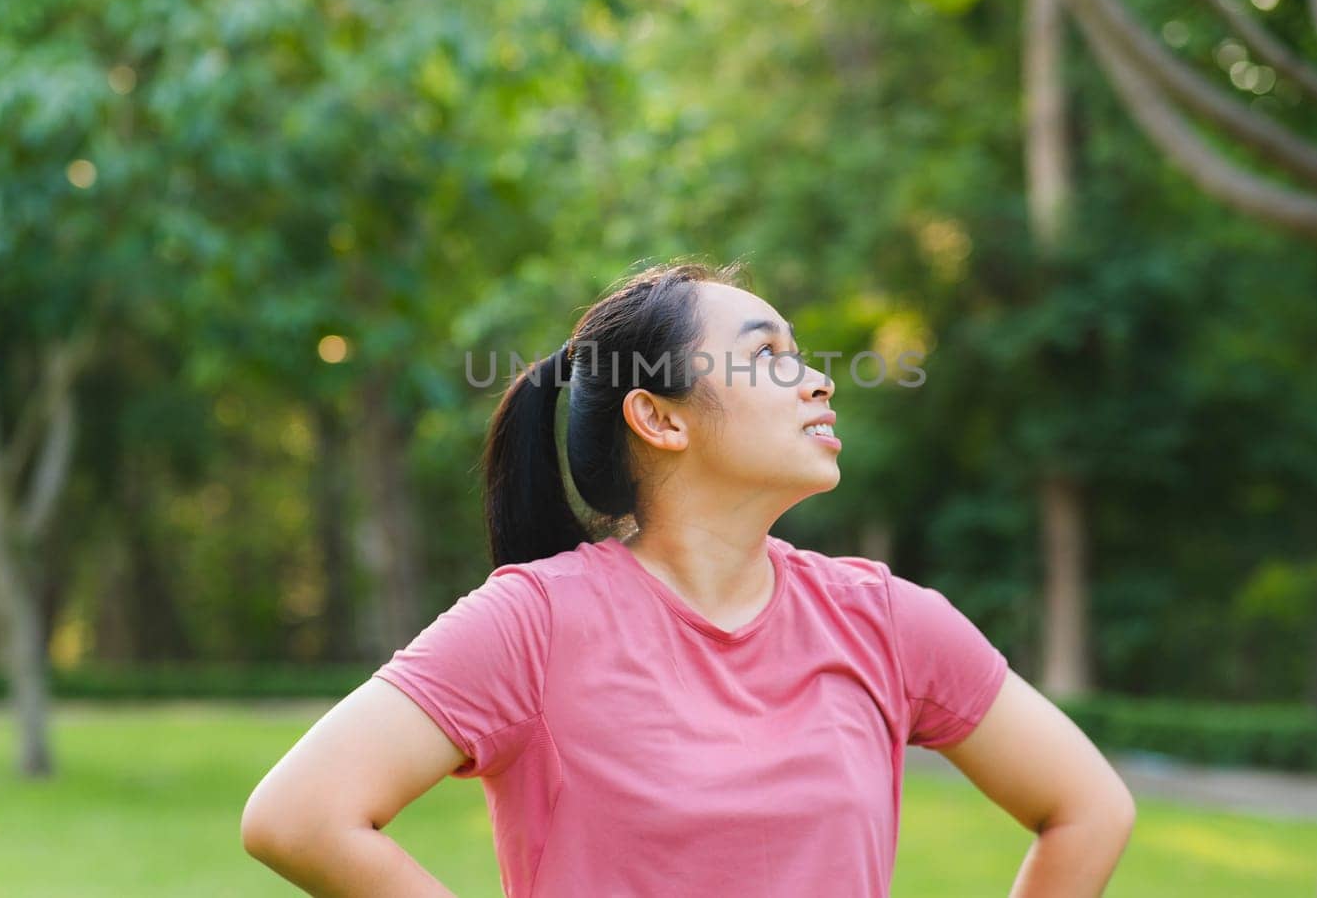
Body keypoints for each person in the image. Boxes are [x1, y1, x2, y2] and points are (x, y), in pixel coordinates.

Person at [241, 259, 1135, 897]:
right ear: (658, 418)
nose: (819, 381)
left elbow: (1088, 806)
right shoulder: (536, 621)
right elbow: (300, 815)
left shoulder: (888, 621)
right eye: (769, 355)